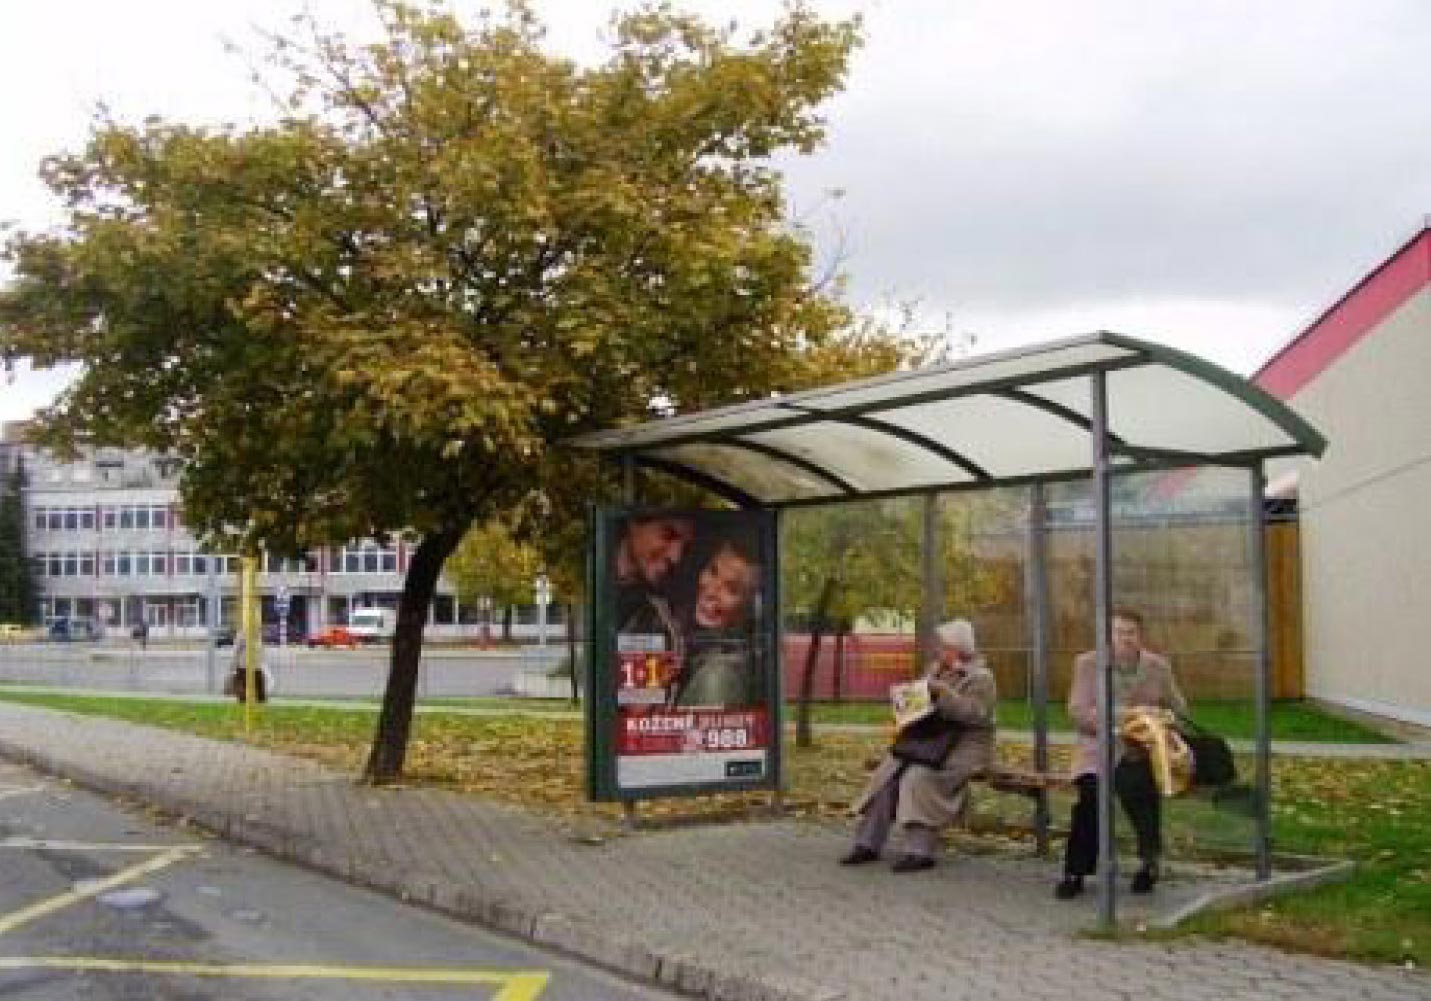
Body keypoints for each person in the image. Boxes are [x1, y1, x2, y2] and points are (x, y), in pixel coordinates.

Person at [840, 619, 998, 873]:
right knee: (888, 774)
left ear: (958, 648)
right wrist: (906, 700)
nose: (939, 651)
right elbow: (917, 709)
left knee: (918, 778)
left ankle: (920, 851)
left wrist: (942, 693)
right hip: (928, 741)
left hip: (965, 747)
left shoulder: (981, 677)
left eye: (944, 646)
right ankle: (866, 843)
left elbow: (975, 714)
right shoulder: (935, 671)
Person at [1055, 607, 1187, 900]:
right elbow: (1078, 711)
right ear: (1108, 636)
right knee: (1091, 797)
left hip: (1141, 752)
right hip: (1098, 750)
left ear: (1141, 636)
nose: (1125, 638)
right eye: (1119, 632)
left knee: (1142, 792)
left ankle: (1149, 863)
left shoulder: (1158, 667)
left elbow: (1179, 709)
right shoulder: (1088, 664)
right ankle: (1075, 870)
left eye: (1131, 633)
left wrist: (1158, 721)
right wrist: (1126, 718)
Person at [669, 536, 761, 707]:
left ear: (749, 607)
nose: (712, 591)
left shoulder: (718, 678)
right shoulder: (672, 626)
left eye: (731, 589)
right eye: (712, 571)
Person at [613, 514, 695, 636]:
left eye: (685, 547)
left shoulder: (661, 608)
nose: (676, 557)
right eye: (668, 534)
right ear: (634, 523)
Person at [225, 637, 275, 704]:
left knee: (259, 691)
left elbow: (260, 650)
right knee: (246, 690)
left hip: (255, 666)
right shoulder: (243, 636)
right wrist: (234, 664)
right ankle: (245, 701)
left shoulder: (257, 636)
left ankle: (256, 701)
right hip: (245, 666)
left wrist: (261, 662)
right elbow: (236, 651)